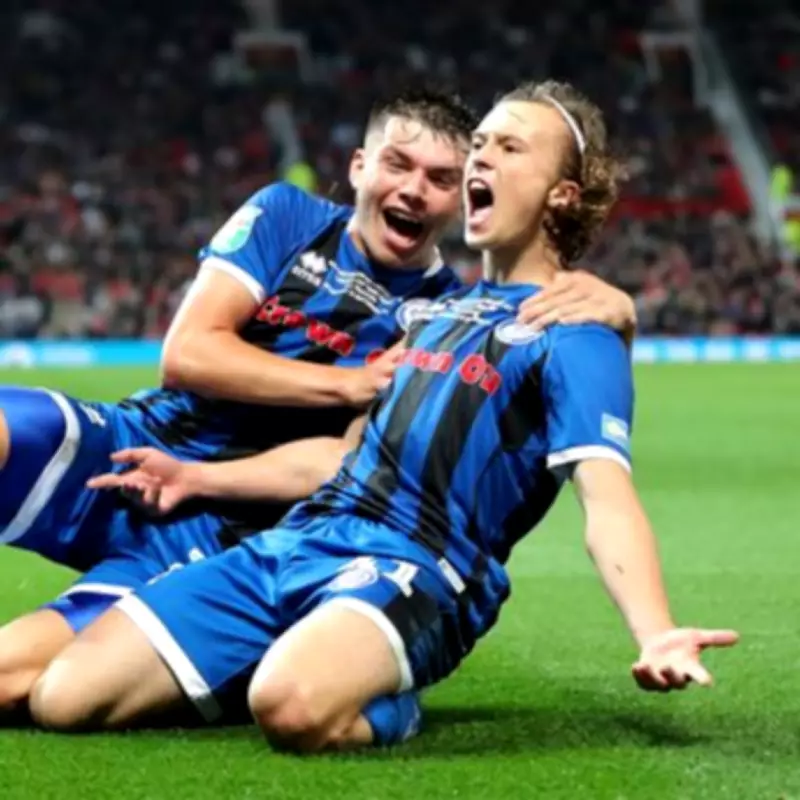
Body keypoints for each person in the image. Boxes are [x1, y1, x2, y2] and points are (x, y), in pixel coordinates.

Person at [3, 85, 642, 728]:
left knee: (27, 684)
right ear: (360, 166)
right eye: (398, 164)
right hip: (138, 444)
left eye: (440, 179)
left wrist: (620, 311)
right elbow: (189, 353)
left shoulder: (441, 318)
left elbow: (348, 460)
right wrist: (348, 384)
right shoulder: (290, 216)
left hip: (234, 526)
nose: (415, 190)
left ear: (457, 201)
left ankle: (298, 667)